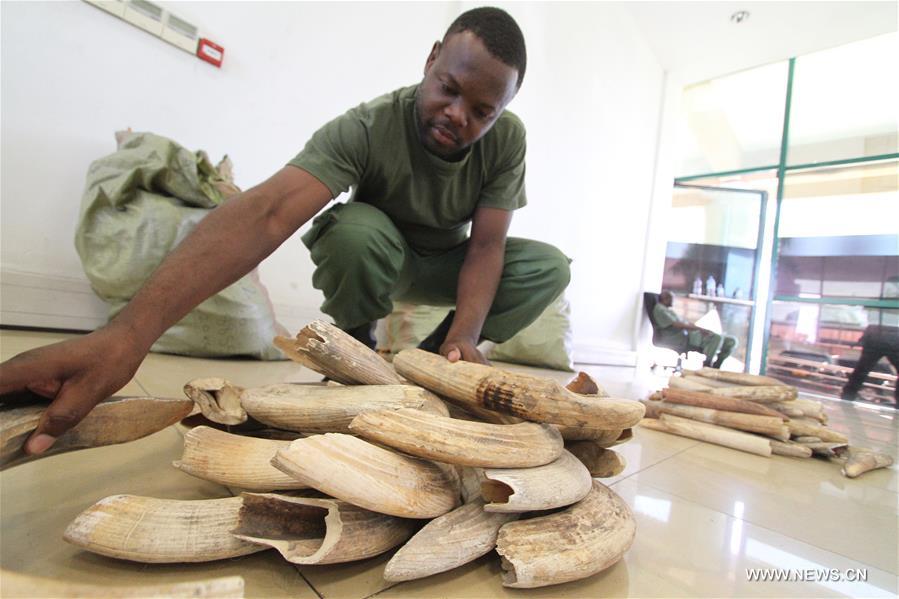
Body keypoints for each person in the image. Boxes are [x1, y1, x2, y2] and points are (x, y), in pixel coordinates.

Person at [0, 7, 570, 457]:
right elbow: (269, 210)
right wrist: (128, 335)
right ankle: (357, 354)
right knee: (357, 230)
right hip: (379, 254)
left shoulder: (507, 141)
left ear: (501, 111)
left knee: (547, 267)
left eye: (481, 110)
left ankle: (429, 367)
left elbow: (488, 246)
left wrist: (465, 336)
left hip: (447, 260)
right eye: (449, 88)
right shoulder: (368, 126)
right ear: (430, 60)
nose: (457, 114)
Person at [842, 276, 899, 404]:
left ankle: (847, 396)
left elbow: (870, 317)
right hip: (884, 339)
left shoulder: (878, 301)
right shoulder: (878, 301)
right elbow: (870, 318)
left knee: (861, 371)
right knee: (861, 371)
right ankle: (847, 396)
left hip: (881, 339)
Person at [653, 290, 737, 369]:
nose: (673, 301)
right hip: (682, 337)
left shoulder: (668, 310)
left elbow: (684, 323)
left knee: (731, 341)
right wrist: (699, 329)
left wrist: (700, 328)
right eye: (671, 299)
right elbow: (678, 325)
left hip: (691, 333)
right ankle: (707, 365)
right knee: (716, 338)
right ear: (665, 298)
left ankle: (717, 366)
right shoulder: (659, 309)